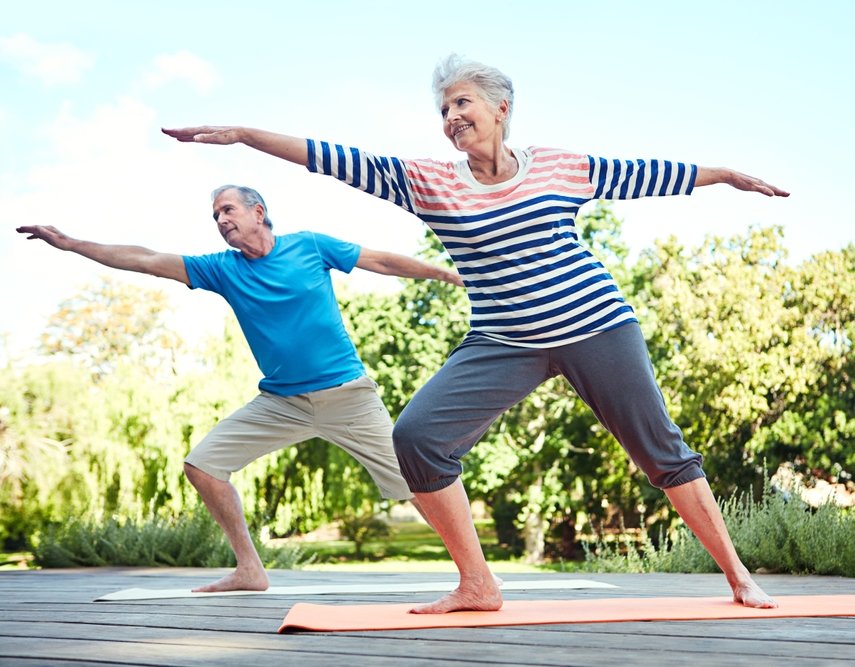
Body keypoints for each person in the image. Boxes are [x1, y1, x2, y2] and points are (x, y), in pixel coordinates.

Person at [162, 54, 791, 612]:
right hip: (502, 341)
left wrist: (726, 175)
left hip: (596, 325)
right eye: (443, 109)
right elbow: (333, 159)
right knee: (417, 438)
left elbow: (651, 173)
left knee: (660, 451)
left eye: (462, 103)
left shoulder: (560, 167)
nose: (451, 117)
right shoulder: (432, 184)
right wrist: (244, 136)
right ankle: (477, 584)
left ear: (501, 108)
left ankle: (738, 576)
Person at [16, 184, 463, 593]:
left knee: (417, 481)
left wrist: (447, 275)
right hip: (280, 403)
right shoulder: (221, 269)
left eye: (227, 210)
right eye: (215, 216)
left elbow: (382, 261)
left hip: (348, 397)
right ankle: (250, 568)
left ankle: (474, 572)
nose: (221, 220)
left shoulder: (308, 245)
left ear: (258, 212)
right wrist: (72, 244)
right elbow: (146, 260)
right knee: (203, 465)